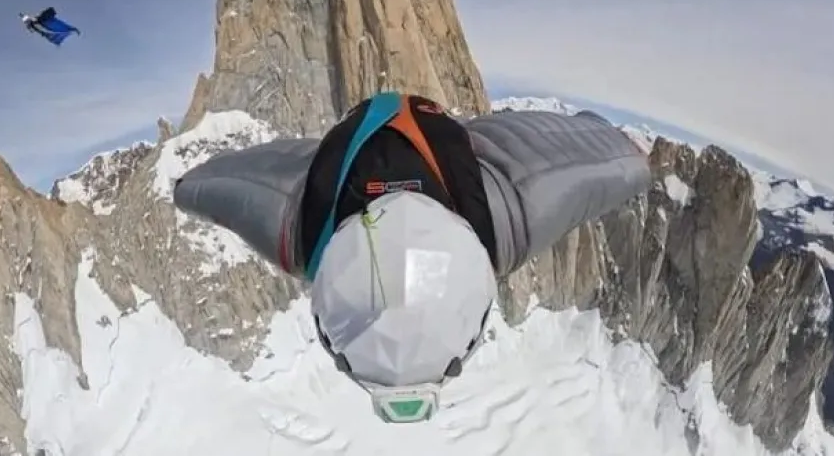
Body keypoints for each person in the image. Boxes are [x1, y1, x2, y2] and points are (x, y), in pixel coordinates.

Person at [173, 91, 651, 423]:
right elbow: (218, 187)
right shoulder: (298, 229)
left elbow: (613, 166)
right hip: (395, 151)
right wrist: (184, 190)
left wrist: (613, 142)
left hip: (462, 161)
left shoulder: (510, 217)